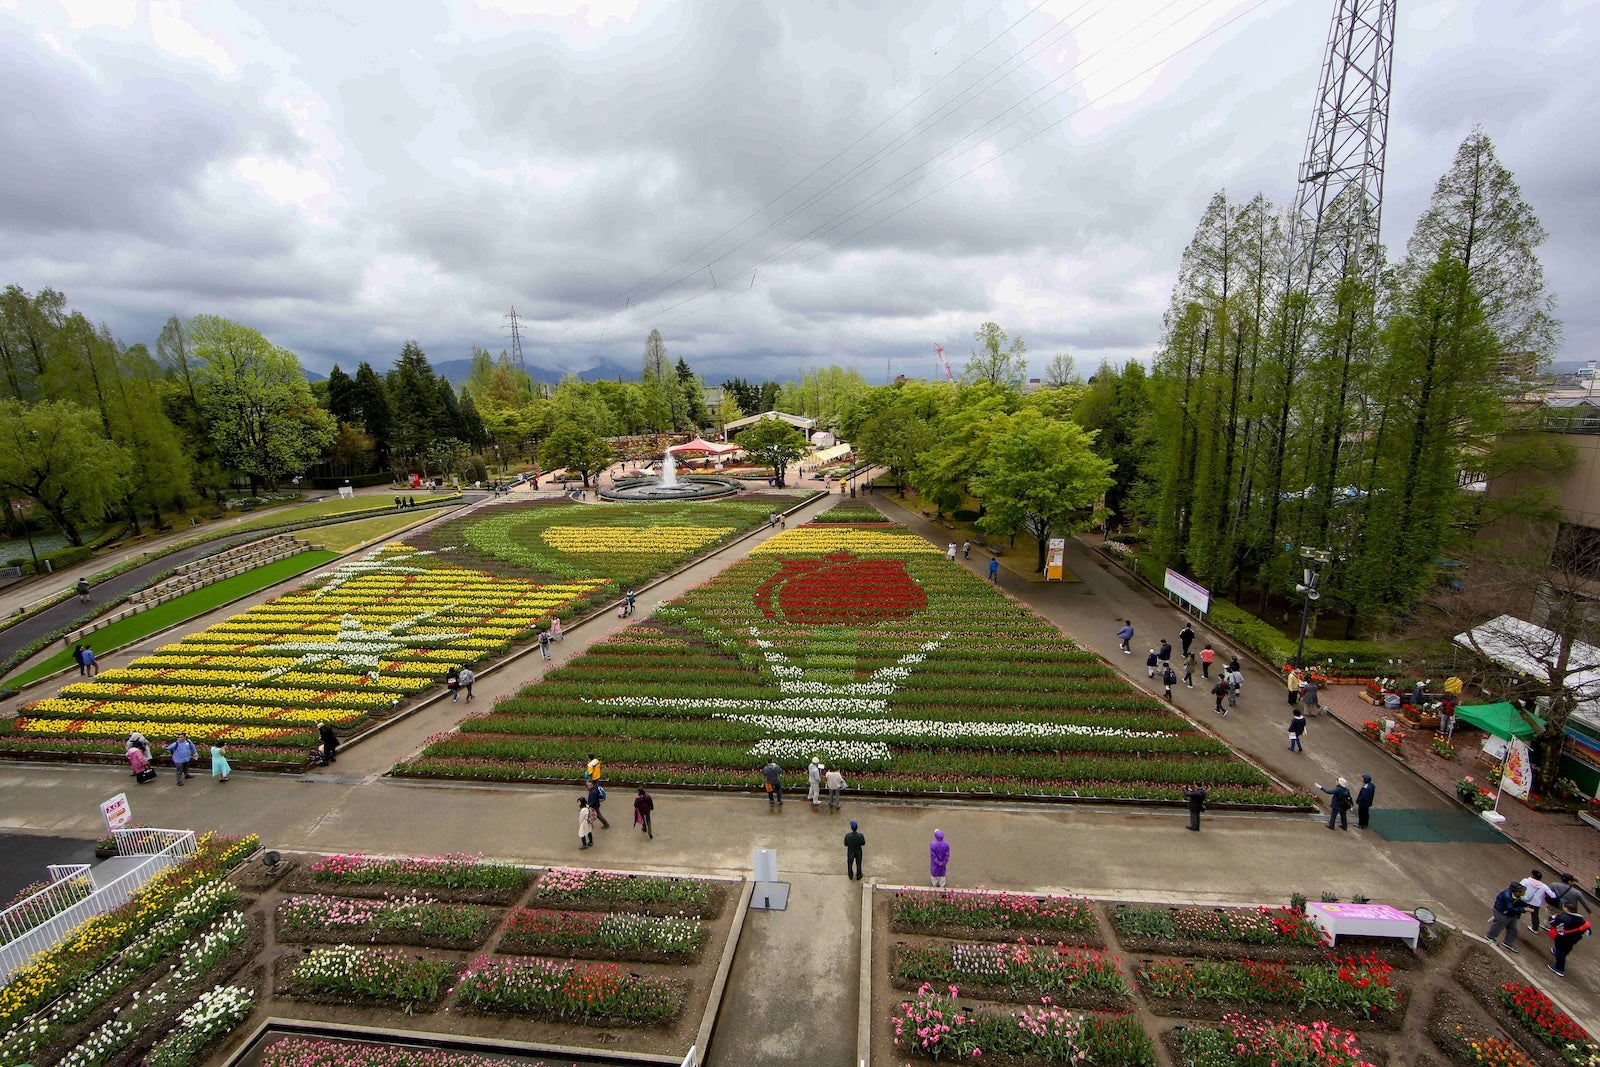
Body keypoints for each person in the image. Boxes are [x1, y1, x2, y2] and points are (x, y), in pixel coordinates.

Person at [1547, 900, 1591, 977]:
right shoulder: (1581, 919)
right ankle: (1557, 953)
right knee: (1566, 949)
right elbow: (1588, 932)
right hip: (1574, 939)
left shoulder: (1565, 917)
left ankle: (1559, 968)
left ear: (1567, 909)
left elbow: (1552, 922)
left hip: (1563, 937)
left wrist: (1553, 918)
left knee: (1561, 951)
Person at [1487, 882, 1529, 952]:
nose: (1523, 893)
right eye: (1521, 891)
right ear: (1515, 891)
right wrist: (1523, 909)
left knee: (1513, 928)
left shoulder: (1517, 896)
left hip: (1511, 913)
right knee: (1501, 923)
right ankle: (1490, 936)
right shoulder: (1507, 896)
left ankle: (1508, 942)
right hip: (1501, 911)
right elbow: (1510, 908)